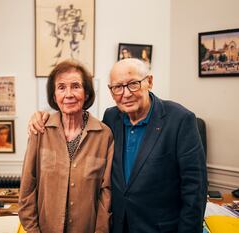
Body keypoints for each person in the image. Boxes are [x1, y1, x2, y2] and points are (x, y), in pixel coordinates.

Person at [28, 58, 207, 233]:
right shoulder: (111, 119)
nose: (126, 93)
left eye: (133, 84)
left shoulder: (180, 119)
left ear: (149, 82)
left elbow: (195, 189)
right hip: (118, 225)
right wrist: (42, 116)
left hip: (159, 227)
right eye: (118, 87)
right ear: (111, 90)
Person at [19, 60, 114, 233]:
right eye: (61, 87)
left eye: (76, 86)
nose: (68, 94)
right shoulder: (40, 130)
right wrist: (33, 230)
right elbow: (27, 188)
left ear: (86, 94)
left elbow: (105, 193)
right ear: (54, 96)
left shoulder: (104, 135)